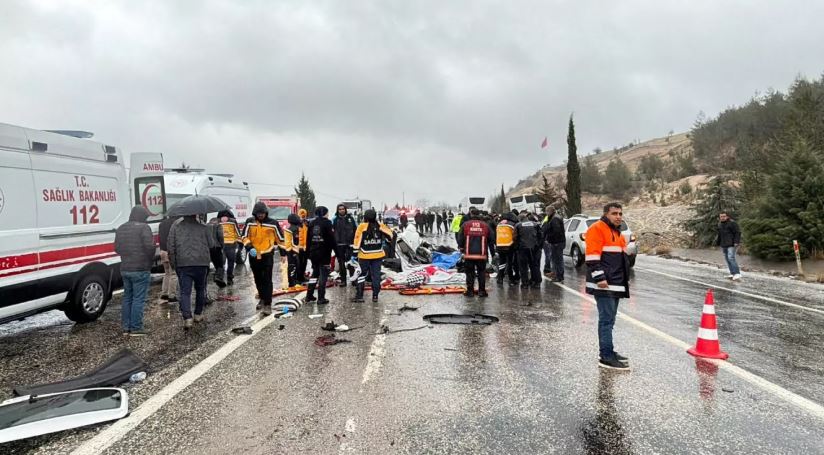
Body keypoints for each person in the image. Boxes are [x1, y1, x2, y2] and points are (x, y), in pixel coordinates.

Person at [586, 202, 631, 370]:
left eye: (620, 213)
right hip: (604, 284)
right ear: (606, 214)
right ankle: (606, 356)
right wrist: (599, 278)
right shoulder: (597, 228)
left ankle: (609, 351)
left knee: (610, 320)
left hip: (615, 283)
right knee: (606, 320)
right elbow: (592, 256)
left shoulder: (617, 232)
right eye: (614, 213)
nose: (618, 216)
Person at [114, 206, 155, 336]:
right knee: (138, 298)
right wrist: (149, 260)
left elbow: (117, 248)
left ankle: (126, 327)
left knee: (127, 297)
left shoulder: (121, 228)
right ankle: (136, 328)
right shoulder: (144, 228)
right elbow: (150, 247)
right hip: (140, 268)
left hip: (125, 268)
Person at [242, 202, 287, 315]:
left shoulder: (273, 223)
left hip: (267, 255)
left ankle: (268, 304)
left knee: (267, 279)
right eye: (258, 213)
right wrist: (249, 247)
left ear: (266, 213)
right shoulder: (250, 222)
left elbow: (280, 239)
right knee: (258, 279)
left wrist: (283, 254)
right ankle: (262, 298)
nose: (261, 215)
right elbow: (244, 236)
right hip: (254, 255)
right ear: (255, 213)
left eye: (262, 213)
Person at [168, 213, 212, 328]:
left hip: (183, 264)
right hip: (201, 263)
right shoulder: (203, 226)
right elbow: (211, 244)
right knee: (200, 289)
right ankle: (198, 314)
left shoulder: (175, 227)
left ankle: (187, 318)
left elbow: (171, 246)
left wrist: (174, 264)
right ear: (195, 214)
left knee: (185, 292)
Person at [351, 209, 395, 303]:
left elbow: (357, 241)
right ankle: (375, 296)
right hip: (378, 255)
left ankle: (359, 296)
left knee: (361, 275)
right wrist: (386, 239)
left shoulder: (362, 226)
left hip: (364, 255)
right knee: (376, 276)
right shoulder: (380, 225)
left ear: (365, 216)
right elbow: (390, 235)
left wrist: (354, 254)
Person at [457, 207, 495, 297]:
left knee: (470, 273)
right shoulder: (485, 225)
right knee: (481, 273)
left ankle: (470, 291)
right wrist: (486, 244)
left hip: (469, 254)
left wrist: (461, 247)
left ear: (471, 214)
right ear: (479, 215)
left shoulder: (465, 225)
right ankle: (481, 291)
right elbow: (492, 238)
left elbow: (460, 237)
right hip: (481, 254)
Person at [306, 206, 336, 304]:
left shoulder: (311, 223)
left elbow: (308, 239)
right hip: (324, 253)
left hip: (313, 252)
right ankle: (321, 298)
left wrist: (308, 253)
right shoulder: (327, 223)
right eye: (327, 213)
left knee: (315, 273)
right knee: (323, 275)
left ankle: (309, 295)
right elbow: (331, 239)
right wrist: (337, 252)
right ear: (324, 213)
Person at [514, 212, 542, 288]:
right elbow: (540, 235)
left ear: (520, 219)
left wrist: (516, 247)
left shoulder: (518, 225)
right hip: (534, 248)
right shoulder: (535, 224)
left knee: (523, 266)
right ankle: (537, 282)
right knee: (535, 265)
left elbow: (515, 238)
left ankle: (525, 283)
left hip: (522, 248)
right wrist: (538, 246)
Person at [333, 204, 357, 286]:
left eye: (343, 209)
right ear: (337, 210)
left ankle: (353, 280)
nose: (341, 210)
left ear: (345, 209)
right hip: (339, 245)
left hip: (350, 244)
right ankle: (343, 280)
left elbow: (355, 230)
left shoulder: (351, 219)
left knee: (351, 262)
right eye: (340, 209)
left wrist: (355, 242)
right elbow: (332, 231)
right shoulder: (335, 220)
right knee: (341, 263)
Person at [158, 215, 179, 303]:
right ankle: (172, 295)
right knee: (173, 273)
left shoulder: (162, 223)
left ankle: (164, 293)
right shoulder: (176, 224)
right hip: (171, 252)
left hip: (162, 251)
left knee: (167, 273)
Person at [495, 211, 519, 285]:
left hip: (499, 245)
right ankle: (511, 279)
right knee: (509, 263)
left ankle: (500, 278)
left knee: (502, 262)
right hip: (509, 245)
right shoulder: (512, 224)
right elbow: (515, 236)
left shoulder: (499, 224)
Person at [542, 206, 566, 282]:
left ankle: (559, 276)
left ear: (550, 211)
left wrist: (549, 239)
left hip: (557, 243)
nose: (546, 213)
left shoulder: (555, 218)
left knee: (558, 260)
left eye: (546, 211)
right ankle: (556, 274)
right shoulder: (554, 217)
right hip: (556, 242)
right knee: (555, 259)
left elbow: (556, 232)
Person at [218, 210, 241, 286]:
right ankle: (229, 279)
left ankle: (220, 278)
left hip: (220, 245)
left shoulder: (218, 221)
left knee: (221, 262)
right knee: (231, 262)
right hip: (231, 244)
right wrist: (239, 242)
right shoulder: (233, 221)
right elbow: (237, 233)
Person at [717, 211, 742, 281]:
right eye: (721, 216)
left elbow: (738, 232)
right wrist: (718, 243)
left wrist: (736, 242)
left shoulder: (732, 223)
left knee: (731, 257)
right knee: (727, 259)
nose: (722, 218)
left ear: (727, 216)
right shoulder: (720, 224)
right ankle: (732, 273)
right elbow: (720, 235)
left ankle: (737, 273)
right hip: (724, 244)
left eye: (724, 216)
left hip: (732, 244)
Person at [208, 216, 226, 288]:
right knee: (220, 264)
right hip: (216, 247)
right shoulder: (218, 226)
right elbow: (221, 236)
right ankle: (218, 278)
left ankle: (216, 277)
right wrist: (222, 245)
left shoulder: (206, 226)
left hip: (208, 247)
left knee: (212, 263)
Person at [286, 214, 302, 288]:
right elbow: (295, 241)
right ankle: (292, 283)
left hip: (289, 249)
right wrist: (296, 250)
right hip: (293, 250)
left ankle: (293, 281)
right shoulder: (295, 229)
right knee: (293, 266)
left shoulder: (290, 228)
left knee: (292, 265)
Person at [296, 208, 310, 284]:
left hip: (305, 246)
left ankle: (302, 276)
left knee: (304, 263)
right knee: (299, 263)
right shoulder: (297, 224)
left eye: (304, 216)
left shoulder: (307, 223)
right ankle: (298, 278)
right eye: (302, 216)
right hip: (299, 247)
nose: (303, 217)